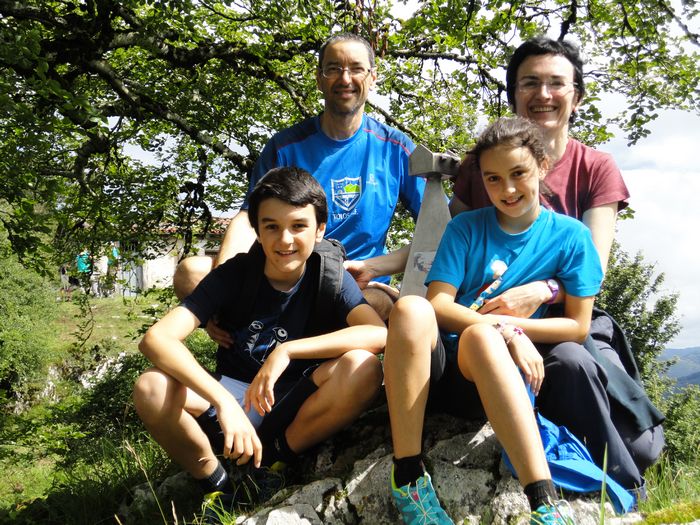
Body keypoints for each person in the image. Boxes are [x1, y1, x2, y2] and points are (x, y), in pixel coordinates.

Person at [449, 37, 663, 493]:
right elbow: (451, 242)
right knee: (564, 365)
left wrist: (542, 291)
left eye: (556, 83)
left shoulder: (595, 167)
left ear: (576, 96)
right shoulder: (479, 167)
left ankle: (619, 478)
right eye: (530, 83)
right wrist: (383, 266)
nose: (543, 94)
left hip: (569, 315)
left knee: (641, 444)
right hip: (488, 320)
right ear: (513, 94)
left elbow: (593, 269)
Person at [385, 117, 602, 524]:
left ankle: (544, 505)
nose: (508, 189)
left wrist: (513, 332)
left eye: (518, 173)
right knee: (411, 308)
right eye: (493, 179)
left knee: (483, 339)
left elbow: (577, 326)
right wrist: (506, 328)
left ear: (542, 166)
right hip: (441, 370)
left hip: (495, 374)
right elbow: (439, 304)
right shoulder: (465, 228)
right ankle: (408, 478)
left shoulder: (571, 237)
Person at [134, 167, 386, 512]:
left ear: (319, 230)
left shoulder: (328, 277)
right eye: (272, 227)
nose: (285, 240)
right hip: (233, 395)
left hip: (295, 400)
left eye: (298, 226)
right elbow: (156, 339)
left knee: (365, 367)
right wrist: (223, 402)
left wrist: (287, 351)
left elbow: (377, 333)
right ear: (257, 230)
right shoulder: (234, 274)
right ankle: (217, 485)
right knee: (151, 387)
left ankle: (272, 463)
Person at [174, 32, 424, 323]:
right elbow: (247, 218)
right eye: (333, 68)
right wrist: (223, 280)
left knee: (376, 303)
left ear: (372, 78)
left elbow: (440, 230)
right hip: (286, 274)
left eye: (356, 69)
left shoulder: (396, 148)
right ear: (319, 79)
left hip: (357, 283)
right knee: (191, 273)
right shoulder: (285, 146)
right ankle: (241, 336)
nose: (345, 79)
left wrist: (375, 267)